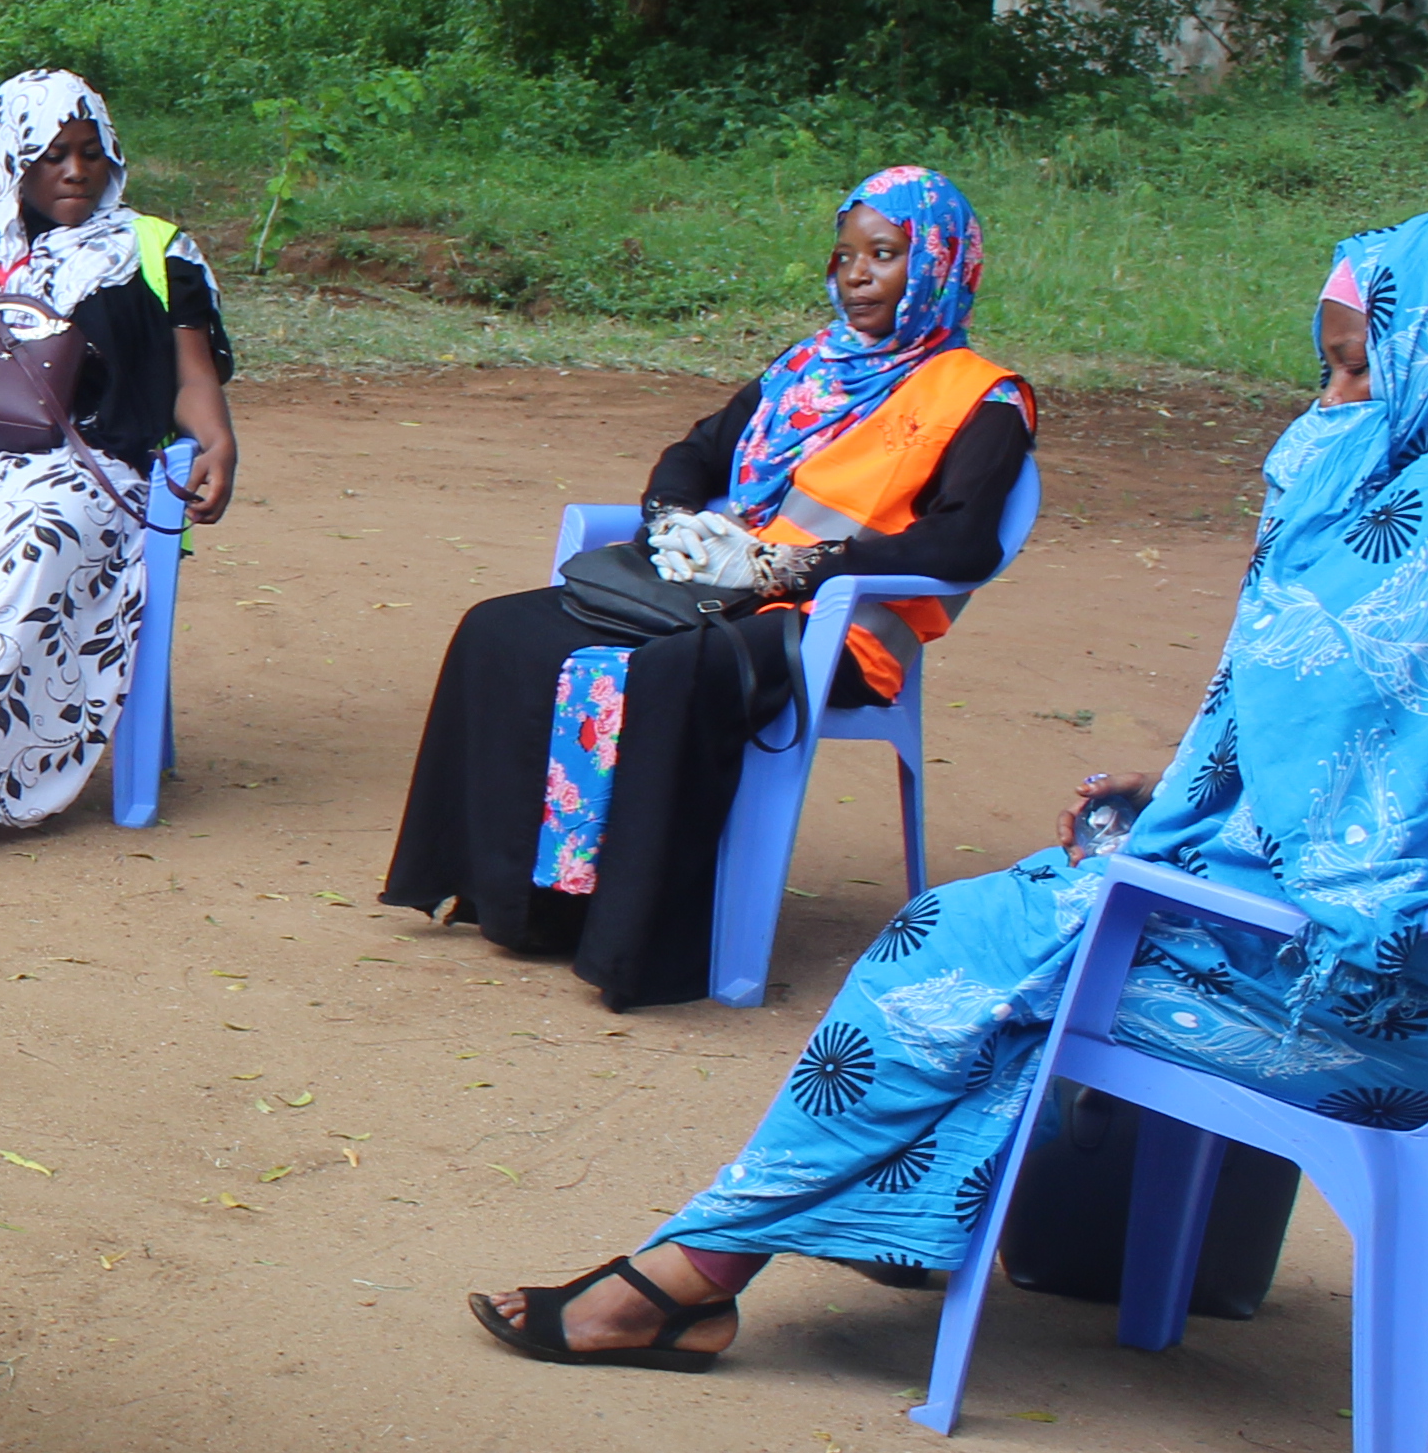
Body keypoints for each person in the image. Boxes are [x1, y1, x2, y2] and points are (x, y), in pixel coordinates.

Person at [474, 211, 1428, 1367]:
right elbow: (1418, 742)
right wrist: (1176, 801)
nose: (1329, 406)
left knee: (948, 947)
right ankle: (793, 1252)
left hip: (1354, 1001)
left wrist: (1162, 837)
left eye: (1358, 374)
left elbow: (1331, 737)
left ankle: (685, 1285)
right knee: (1031, 933)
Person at [380, 163, 1034, 1010]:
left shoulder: (982, 397)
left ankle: (631, 945)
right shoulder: (809, 366)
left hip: (835, 627)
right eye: (844, 256)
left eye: (885, 254)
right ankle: (515, 902)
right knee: (500, 631)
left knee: (663, 676)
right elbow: (697, 450)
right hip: (709, 590)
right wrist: (676, 521)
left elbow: (962, 540)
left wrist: (785, 567)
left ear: (940, 264)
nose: (858, 274)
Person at [0, 71, 239, 822]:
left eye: (91, 153)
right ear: (12, 161)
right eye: (53, 155)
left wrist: (217, 441)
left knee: (40, 536)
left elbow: (190, 375)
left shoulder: (152, 252)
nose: (77, 171)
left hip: (83, 457)